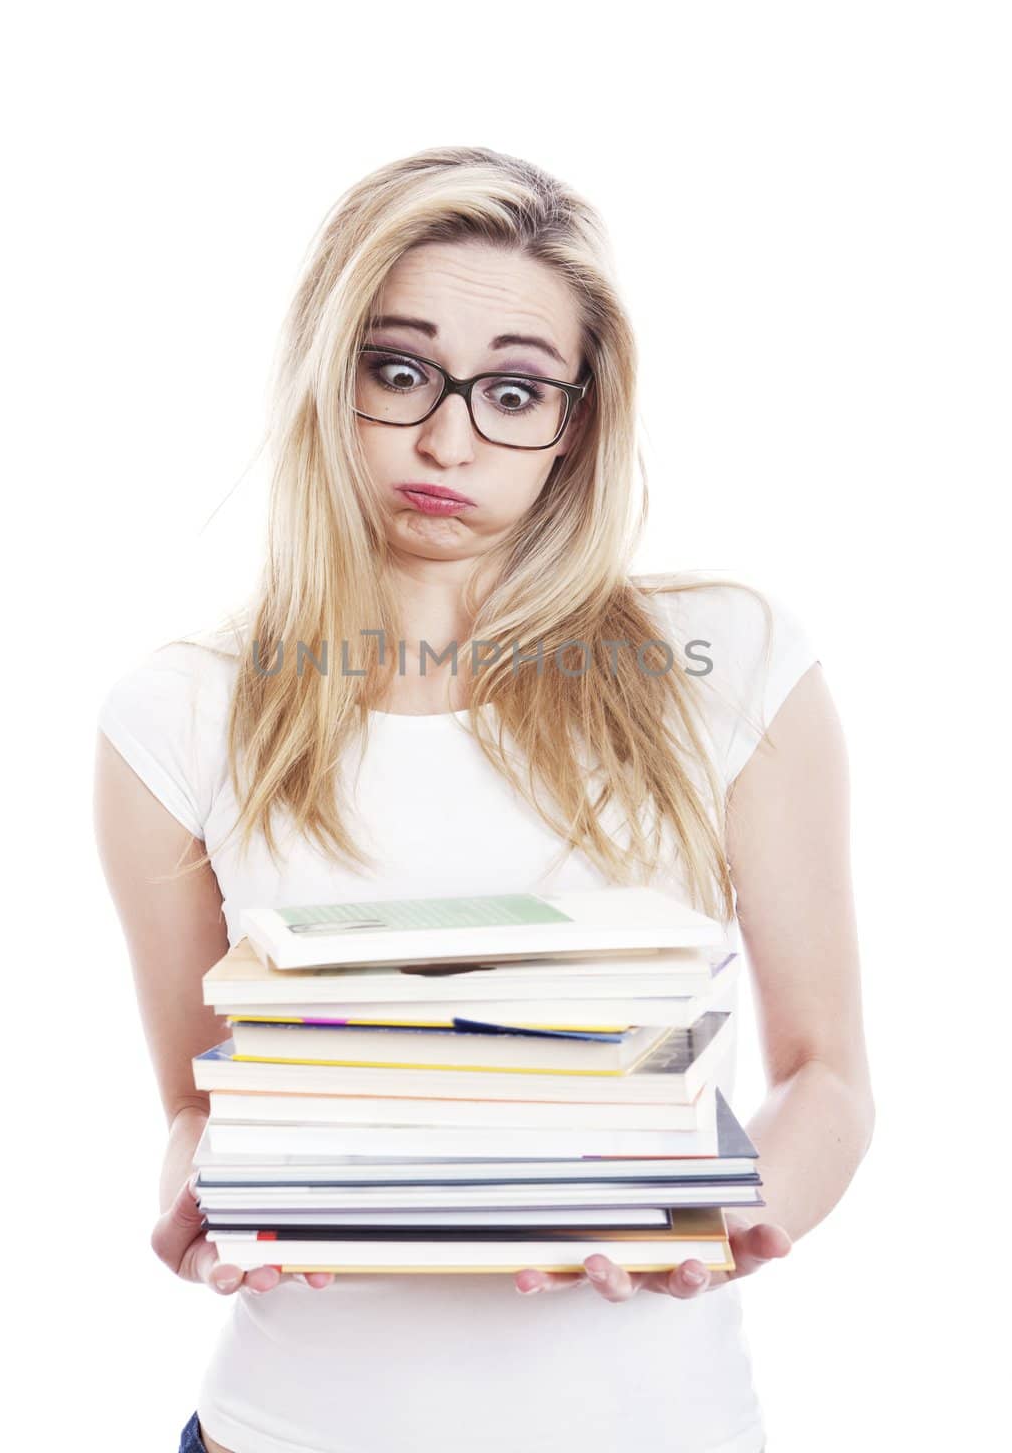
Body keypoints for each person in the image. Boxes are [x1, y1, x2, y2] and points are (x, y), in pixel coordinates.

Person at [93, 145, 876, 1453]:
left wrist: (731, 1222)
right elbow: (198, 1102)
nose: (449, 438)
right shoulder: (179, 713)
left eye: (514, 391)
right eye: (398, 371)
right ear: (324, 371)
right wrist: (200, 1200)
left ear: (576, 419)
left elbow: (829, 1075)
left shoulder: (731, 663)